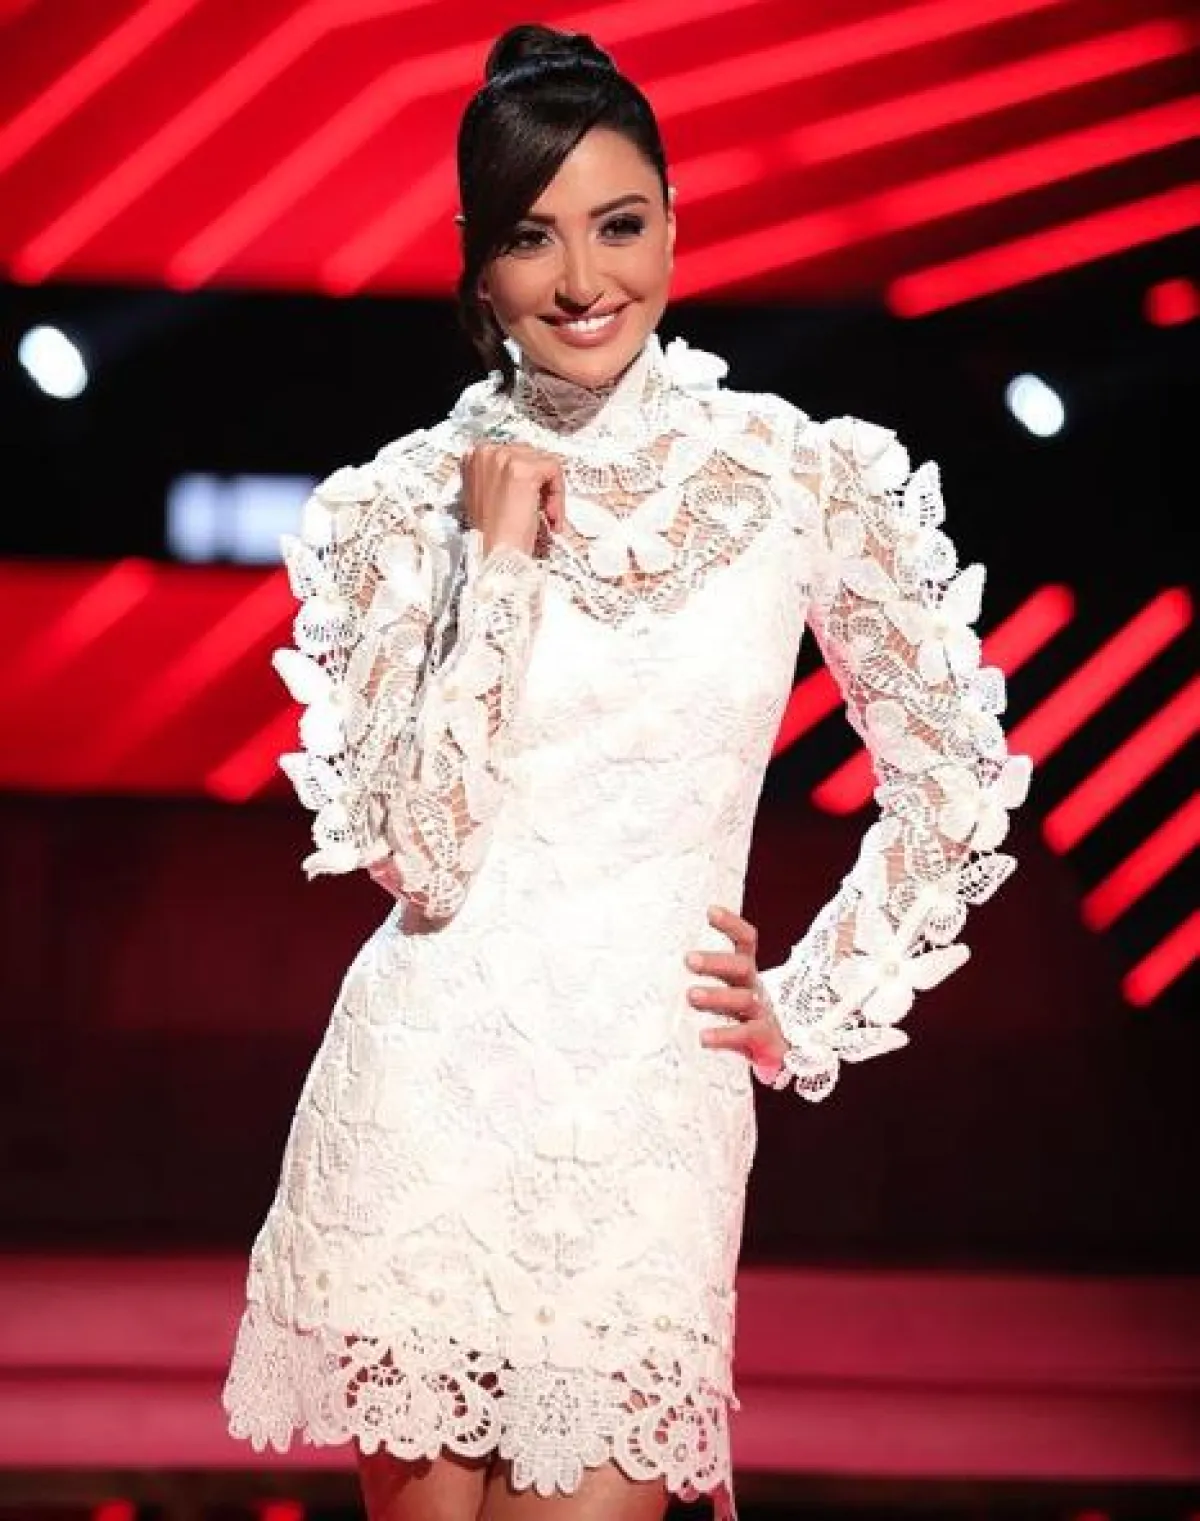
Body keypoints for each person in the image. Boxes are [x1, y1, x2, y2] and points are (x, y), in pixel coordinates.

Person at [221, 21, 1033, 1521]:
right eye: (531, 237)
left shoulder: (796, 473)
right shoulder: (401, 507)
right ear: (479, 267)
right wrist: (500, 561)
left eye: (619, 224)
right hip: (426, 1095)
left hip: (648, 1112)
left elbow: (953, 781)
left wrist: (808, 1001)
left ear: (672, 223)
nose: (583, 278)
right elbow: (424, 859)